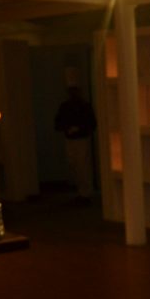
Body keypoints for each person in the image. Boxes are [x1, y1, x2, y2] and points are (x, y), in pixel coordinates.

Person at [54, 71, 97, 202]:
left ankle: (86, 192)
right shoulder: (65, 106)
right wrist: (67, 128)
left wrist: (79, 129)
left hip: (82, 139)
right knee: (73, 164)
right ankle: (80, 190)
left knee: (83, 166)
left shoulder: (84, 106)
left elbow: (91, 123)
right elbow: (58, 122)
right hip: (70, 140)